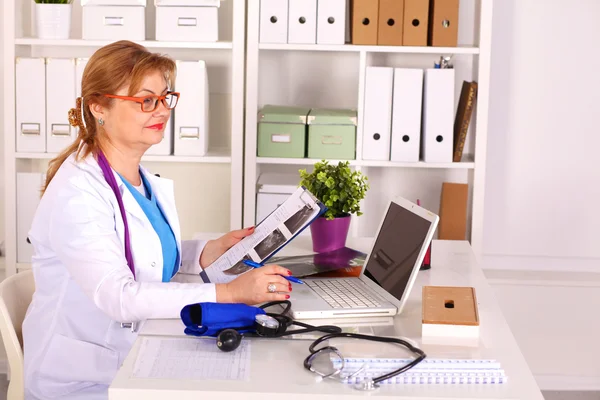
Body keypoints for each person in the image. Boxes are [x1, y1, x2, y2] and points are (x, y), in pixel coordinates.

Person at [22, 40, 292, 400]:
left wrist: (206, 253)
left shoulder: (137, 177)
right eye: (145, 100)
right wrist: (229, 293)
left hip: (134, 353)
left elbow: (141, 255)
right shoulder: (77, 192)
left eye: (166, 97)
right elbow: (119, 296)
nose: (162, 110)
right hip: (83, 379)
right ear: (99, 106)